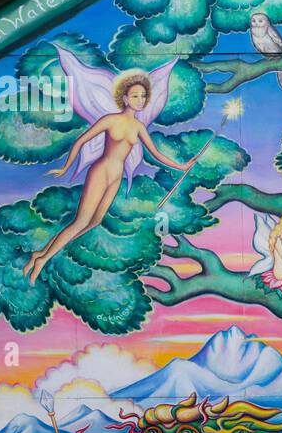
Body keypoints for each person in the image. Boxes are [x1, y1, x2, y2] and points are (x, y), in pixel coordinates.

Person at [22, 66, 188, 285]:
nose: (140, 100)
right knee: (81, 221)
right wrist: (66, 168)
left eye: (143, 96)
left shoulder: (138, 126)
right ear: (125, 99)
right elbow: (81, 141)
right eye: (135, 96)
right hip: (101, 171)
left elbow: (156, 153)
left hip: (116, 176)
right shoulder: (110, 120)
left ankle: (42, 253)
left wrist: (181, 166)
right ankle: (42, 260)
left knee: (95, 221)